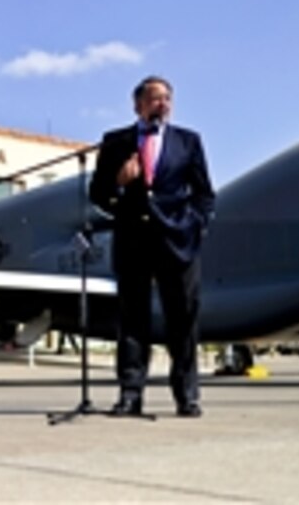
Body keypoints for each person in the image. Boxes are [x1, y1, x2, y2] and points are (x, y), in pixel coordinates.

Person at [90, 75, 215, 418]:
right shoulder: (115, 142)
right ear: (138, 104)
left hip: (178, 242)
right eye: (154, 98)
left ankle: (187, 396)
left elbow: (205, 194)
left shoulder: (188, 142)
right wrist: (118, 183)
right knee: (133, 322)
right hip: (133, 242)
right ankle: (130, 395)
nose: (162, 104)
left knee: (183, 321)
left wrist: (196, 225)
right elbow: (97, 194)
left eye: (167, 99)